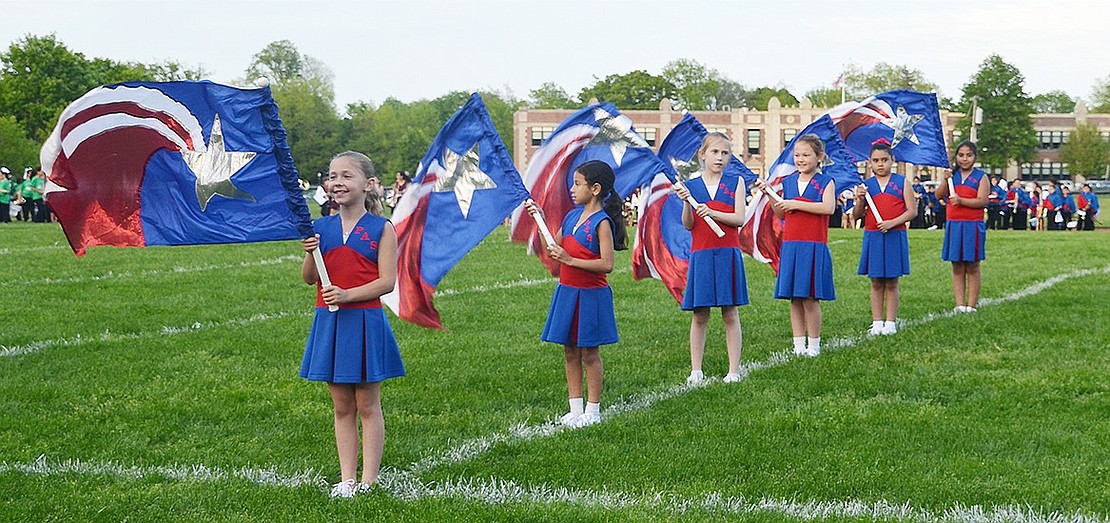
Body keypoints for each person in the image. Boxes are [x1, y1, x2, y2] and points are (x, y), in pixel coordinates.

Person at [299, 151, 404, 499]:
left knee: (367, 405)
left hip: (364, 320)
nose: (337, 182)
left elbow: (387, 282)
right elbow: (308, 278)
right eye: (332, 176)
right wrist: (309, 252)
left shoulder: (381, 228)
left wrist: (348, 295)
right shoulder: (320, 228)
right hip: (330, 322)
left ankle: (369, 480)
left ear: (368, 184)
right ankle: (346, 478)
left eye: (347, 176)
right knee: (341, 405)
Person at [525, 160, 623, 428]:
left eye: (578, 184)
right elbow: (553, 247)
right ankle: (575, 409)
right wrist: (540, 219)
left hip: (591, 295)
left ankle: (593, 410)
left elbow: (607, 264)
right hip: (567, 293)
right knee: (569, 351)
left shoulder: (602, 222)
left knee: (590, 352)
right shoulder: (571, 217)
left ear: (595, 189)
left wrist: (570, 260)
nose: (572, 188)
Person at [672, 132, 749, 385]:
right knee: (700, 314)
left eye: (725, 153)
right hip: (701, 254)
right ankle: (696, 370)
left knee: (730, 312)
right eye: (715, 152)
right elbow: (688, 224)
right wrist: (687, 204)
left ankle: (734, 370)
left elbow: (739, 219)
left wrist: (714, 212)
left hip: (728, 253)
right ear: (702, 154)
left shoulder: (735, 182)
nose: (720, 157)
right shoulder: (692, 187)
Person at [754, 134, 836, 357]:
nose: (800, 159)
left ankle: (814, 344)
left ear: (819, 157)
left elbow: (828, 208)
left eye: (806, 155)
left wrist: (796, 203)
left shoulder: (826, 182)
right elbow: (782, 212)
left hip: (813, 245)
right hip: (791, 245)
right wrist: (771, 196)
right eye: (797, 155)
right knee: (795, 297)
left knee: (810, 297)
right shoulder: (788, 182)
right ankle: (798, 344)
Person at [852, 139, 916, 335]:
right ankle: (877, 321)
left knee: (891, 280)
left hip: (894, 235)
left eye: (884, 160)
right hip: (873, 236)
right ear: (869, 163)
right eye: (876, 160)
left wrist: (893, 222)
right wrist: (860, 199)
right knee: (876, 280)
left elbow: (912, 211)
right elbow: (856, 215)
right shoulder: (866, 186)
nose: (880, 164)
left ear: (892, 160)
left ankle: (890, 322)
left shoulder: (901, 182)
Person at [936, 141, 990, 313]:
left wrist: (961, 201)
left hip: (972, 225)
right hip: (954, 224)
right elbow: (938, 195)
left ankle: (971, 305)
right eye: (961, 155)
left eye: (969, 155)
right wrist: (945, 180)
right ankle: (959, 304)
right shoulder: (952, 176)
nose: (965, 159)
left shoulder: (981, 177)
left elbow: (982, 201)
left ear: (975, 157)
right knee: (957, 264)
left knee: (972, 264)